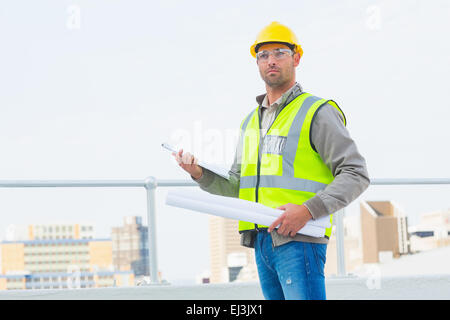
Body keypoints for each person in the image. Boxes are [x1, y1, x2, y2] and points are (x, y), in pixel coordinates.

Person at [172, 21, 370, 300]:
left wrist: (307, 210)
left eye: (279, 53)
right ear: (257, 64)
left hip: (300, 239)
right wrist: (198, 172)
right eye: (263, 56)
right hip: (263, 242)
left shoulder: (317, 111)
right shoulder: (250, 123)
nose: (271, 61)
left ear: (296, 58)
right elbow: (237, 186)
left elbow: (356, 173)